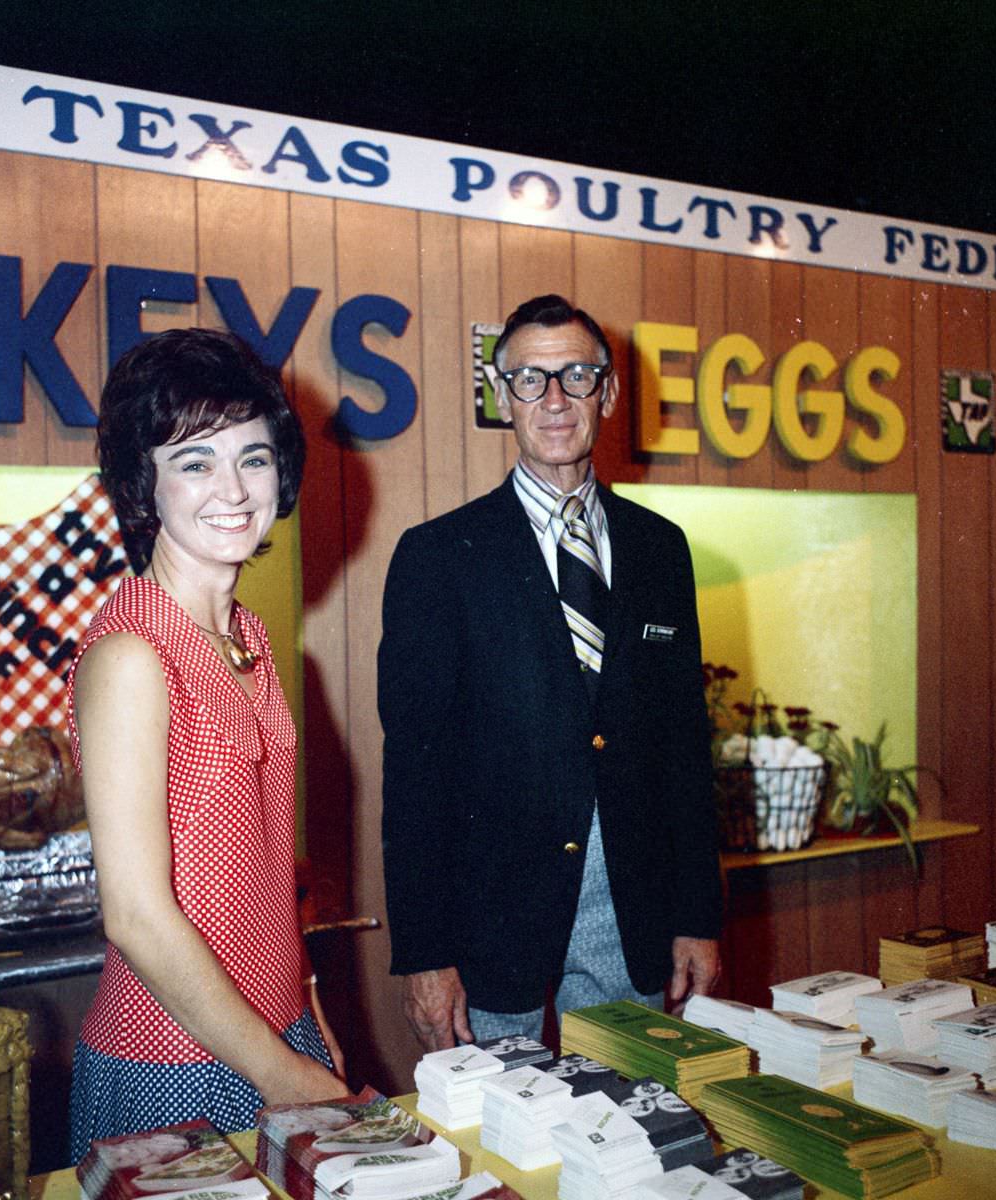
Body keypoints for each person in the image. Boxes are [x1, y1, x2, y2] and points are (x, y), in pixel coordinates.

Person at [379, 294, 723, 1050]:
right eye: (531, 380)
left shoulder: (661, 549)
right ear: (502, 397)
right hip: (488, 933)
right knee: (502, 1149)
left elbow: (683, 750)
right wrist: (425, 954)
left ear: (610, 391)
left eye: (577, 374)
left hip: (630, 919)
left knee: (633, 1133)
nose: (556, 399)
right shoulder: (438, 558)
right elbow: (414, 773)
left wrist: (698, 915)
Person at [67, 328, 348, 1163]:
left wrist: (309, 1017)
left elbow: (261, 869)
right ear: (143, 483)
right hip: (174, 1058)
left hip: (277, 1029)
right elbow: (137, 916)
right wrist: (283, 1073)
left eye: (253, 458)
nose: (232, 488)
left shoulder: (250, 637)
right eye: (194, 461)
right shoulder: (130, 656)